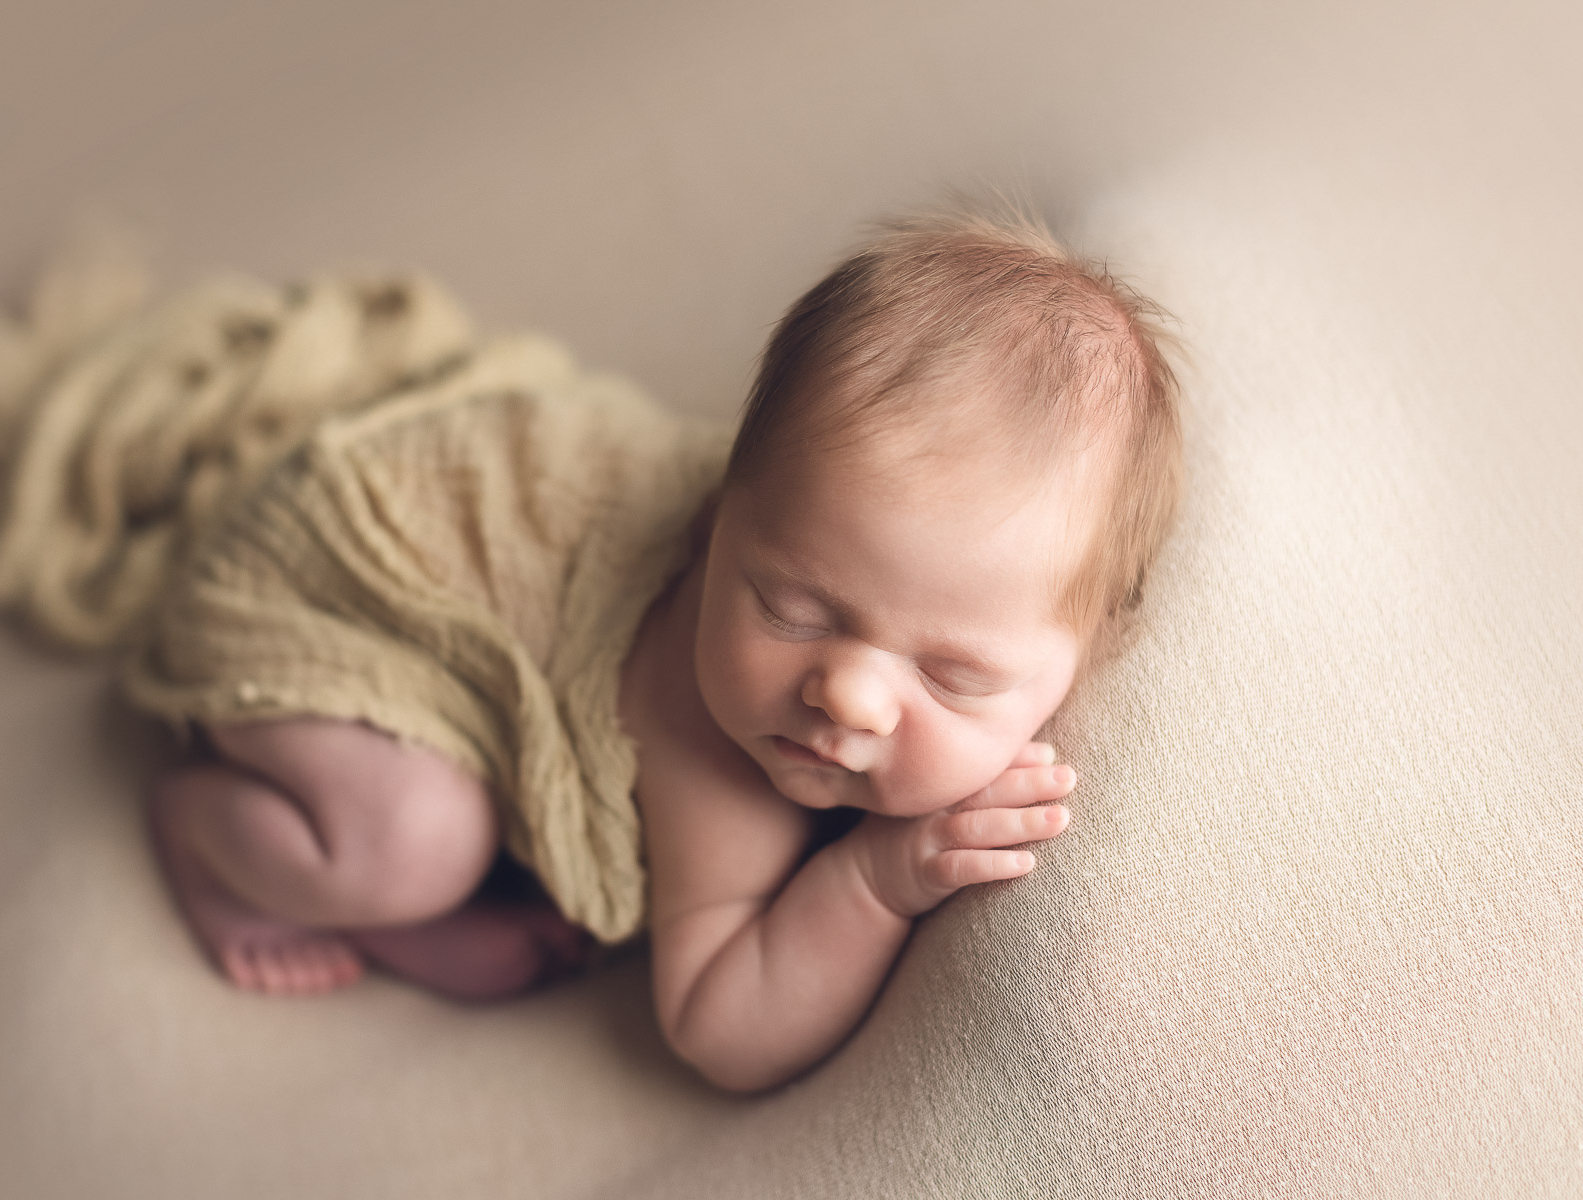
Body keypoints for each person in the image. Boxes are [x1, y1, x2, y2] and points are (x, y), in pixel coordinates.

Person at [135, 208, 1182, 1092]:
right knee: (415, 841)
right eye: (793, 608)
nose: (848, 695)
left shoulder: (870, 601)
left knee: (428, 838)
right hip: (341, 586)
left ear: (1085, 657)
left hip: (423, 529)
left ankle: (390, 910)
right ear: (725, 513)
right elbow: (717, 1023)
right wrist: (877, 880)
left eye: (952, 676)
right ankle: (210, 839)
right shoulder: (715, 741)